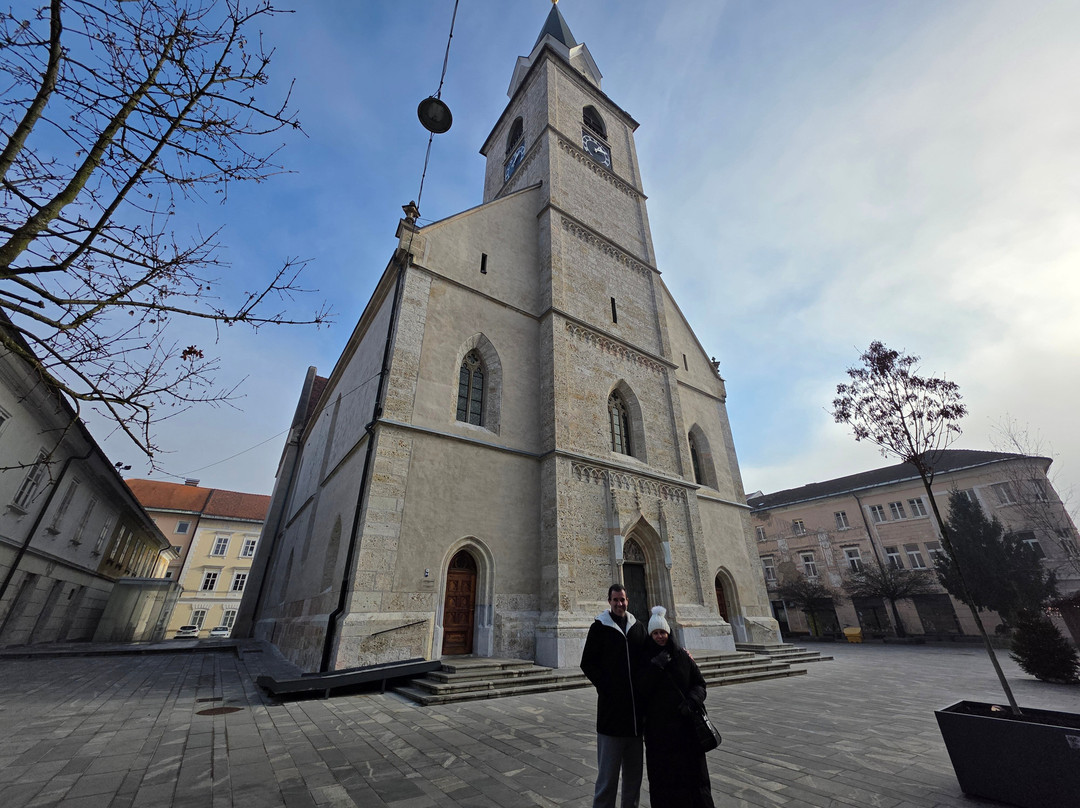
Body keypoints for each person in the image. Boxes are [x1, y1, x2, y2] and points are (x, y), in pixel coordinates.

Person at [636, 606, 716, 808]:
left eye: (662, 632)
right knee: (664, 781)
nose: (660, 636)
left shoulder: (682, 656)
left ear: (668, 632)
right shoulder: (644, 660)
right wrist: (655, 667)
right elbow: (640, 690)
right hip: (659, 733)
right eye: (655, 633)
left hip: (687, 730)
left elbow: (699, 683)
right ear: (650, 635)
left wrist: (692, 701)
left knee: (695, 779)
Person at [580, 583, 648, 808]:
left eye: (623, 600)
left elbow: (652, 654)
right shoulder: (599, 627)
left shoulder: (637, 627)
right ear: (609, 601)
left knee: (633, 781)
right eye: (616, 600)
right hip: (611, 718)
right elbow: (587, 663)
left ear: (627, 601)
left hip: (636, 721)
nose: (620, 603)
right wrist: (606, 687)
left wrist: (680, 655)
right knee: (607, 780)